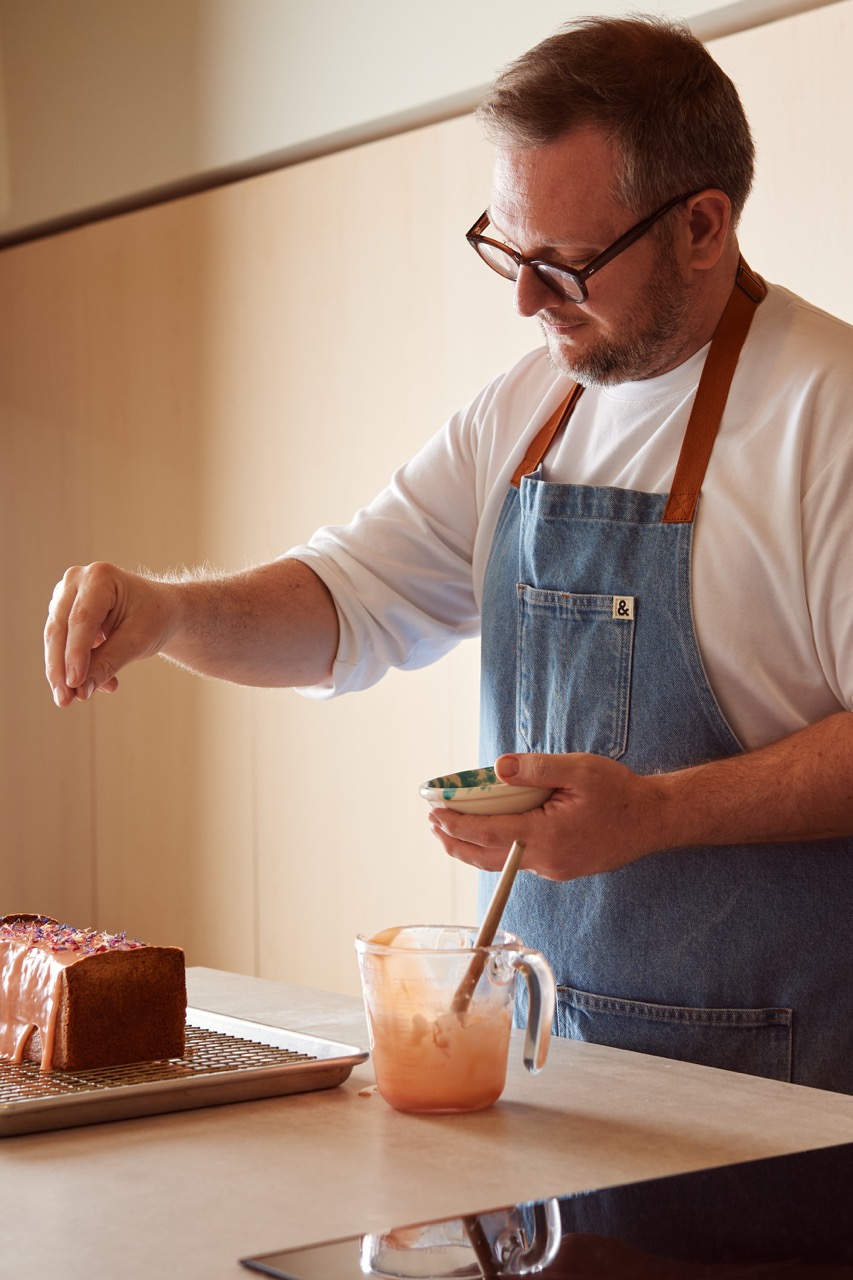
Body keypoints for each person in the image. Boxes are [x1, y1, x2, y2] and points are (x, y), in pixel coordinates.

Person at [44, 16, 853, 1092]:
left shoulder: (827, 413)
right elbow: (349, 599)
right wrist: (171, 613)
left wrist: (658, 813)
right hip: (546, 1082)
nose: (524, 299)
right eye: (507, 250)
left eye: (564, 264)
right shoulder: (527, 412)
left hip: (776, 1107)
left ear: (702, 225)